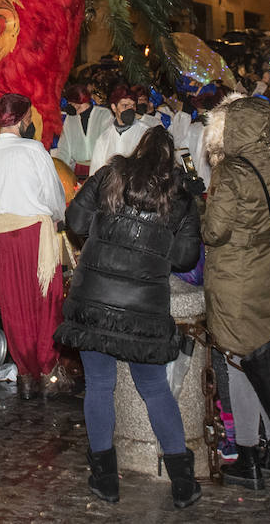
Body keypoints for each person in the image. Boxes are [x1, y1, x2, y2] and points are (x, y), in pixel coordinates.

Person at [54, 127, 202, 508]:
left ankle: (106, 479)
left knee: (100, 387)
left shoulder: (109, 175)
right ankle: (183, 480)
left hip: (94, 302)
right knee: (154, 389)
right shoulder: (182, 198)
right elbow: (185, 258)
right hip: (143, 309)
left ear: (138, 151)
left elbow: (76, 221)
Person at [201, 96, 270, 489]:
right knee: (267, 359)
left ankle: (249, 454)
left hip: (235, 276)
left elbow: (214, 231)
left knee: (238, 363)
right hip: (268, 271)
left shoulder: (231, 172)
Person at [0, 93, 71, 398]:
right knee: (45, 302)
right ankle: (47, 370)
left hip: (3, 236)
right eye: (29, 117)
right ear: (21, 119)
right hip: (34, 233)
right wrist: (59, 218)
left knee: (14, 305)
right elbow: (55, 196)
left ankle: (25, 373)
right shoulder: (33, 150)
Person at [53, 83, 113, 179]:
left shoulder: (104, 115)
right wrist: (60, 171)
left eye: (72, 103)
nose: (71, 105)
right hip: (79, 169)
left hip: (100, 168)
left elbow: (108, 144)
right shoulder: (70, 119)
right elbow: (64, 148)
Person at [87, 86, 147, 171]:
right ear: (114, 107)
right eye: (125, 105)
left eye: (133, 105)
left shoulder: (145, 133)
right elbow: (95, 172)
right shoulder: (104, 138)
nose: (130, 109)